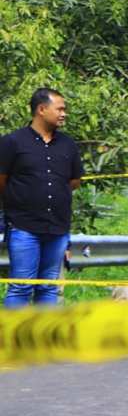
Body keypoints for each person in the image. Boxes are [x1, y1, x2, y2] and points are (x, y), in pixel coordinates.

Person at [0, 88, 83, 307]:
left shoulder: (68, 145)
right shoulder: (13, 142)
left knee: (48, 286)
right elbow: (2, 180)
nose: (64, 114)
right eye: (60, 109)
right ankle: (10, 339)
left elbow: (74, 181)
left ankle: (42, 340)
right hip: (23, 227)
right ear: (42, 109)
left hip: (57, 228)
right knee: (21, 285)